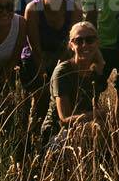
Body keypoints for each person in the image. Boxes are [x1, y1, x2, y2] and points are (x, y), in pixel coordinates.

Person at [21, 0, 82, 136]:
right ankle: (33, 137)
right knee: (39, 101)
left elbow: (72, 44)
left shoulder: (74, 10)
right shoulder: (33, 9)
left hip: (62, 57)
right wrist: (44, 72)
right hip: (36, 58)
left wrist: (59, 70)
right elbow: (34, 46)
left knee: (64, 98)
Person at [40, 21, 108, 150]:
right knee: (98, 127)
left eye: (90, 40)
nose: (84, 45)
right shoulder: (63, 71)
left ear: (97, 42)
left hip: (82, 128)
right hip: (57, 132)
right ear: (71, 45)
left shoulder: (95, 71)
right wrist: (98, 114)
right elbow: (65, 119)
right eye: (78, 41)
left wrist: (101, 65)